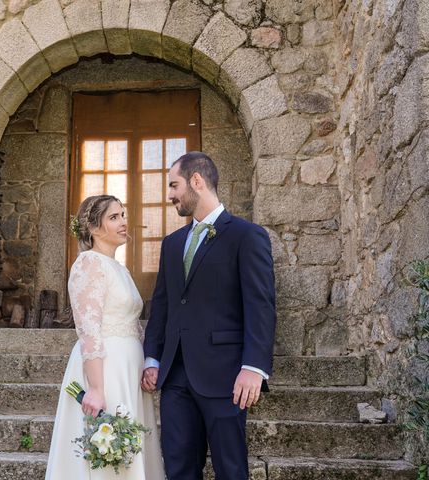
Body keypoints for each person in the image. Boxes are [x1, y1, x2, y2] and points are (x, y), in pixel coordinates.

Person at [141, 151, 276, 480]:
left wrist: (254, 368)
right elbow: (163, 305)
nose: (170, 195)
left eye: (174, 185)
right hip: (174, 378)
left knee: (231, 469)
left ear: (197, 181)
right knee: (178, 468)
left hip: (226, 376)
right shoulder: (172, 244)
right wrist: (152, 359)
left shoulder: (247, 236)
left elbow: (260, 304)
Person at [45, 194, 165, 480]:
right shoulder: (89, 263)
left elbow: (132, 324)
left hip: (128, 369)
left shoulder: (119, 269)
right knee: (108, 455)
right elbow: (89, 329)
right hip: (106, 369)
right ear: (94, 227)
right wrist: (96, 389)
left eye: (123, 215)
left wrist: (146, 364)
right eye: (114, 217)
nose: (124, 222)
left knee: (129, 452)